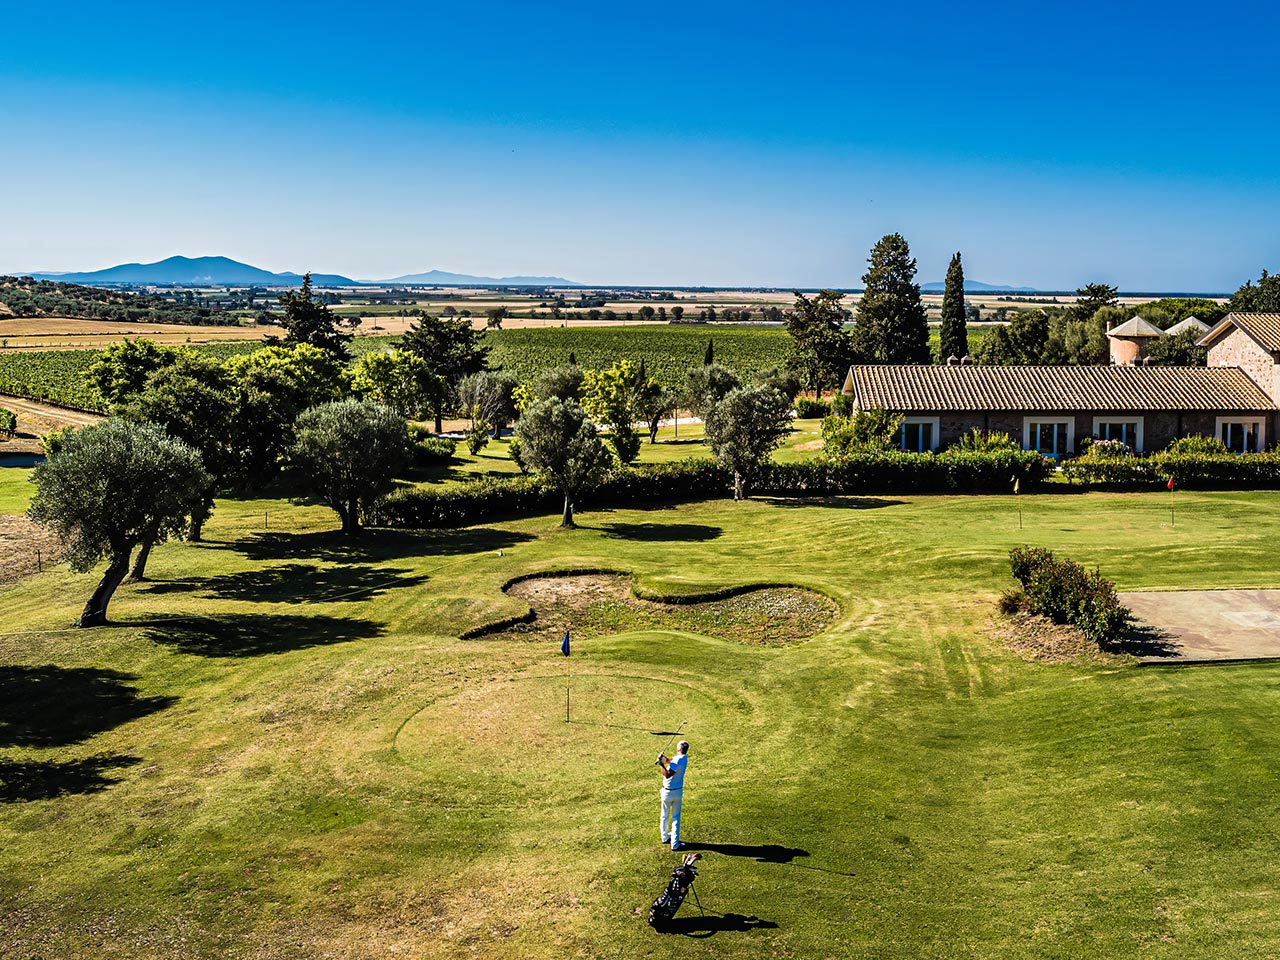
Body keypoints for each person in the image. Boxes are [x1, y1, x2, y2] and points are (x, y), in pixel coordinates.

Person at [656, 740, 689, 851]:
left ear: (678, 749)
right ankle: (674, 842)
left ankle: (665, 838)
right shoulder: (684, 758)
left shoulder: (677, 759)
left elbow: (667, 775)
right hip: (678, 792)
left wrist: (661, 764)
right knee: (676, 817)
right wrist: (664, 758)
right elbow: (671, 760)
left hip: (667, 792)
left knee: (664, 815)